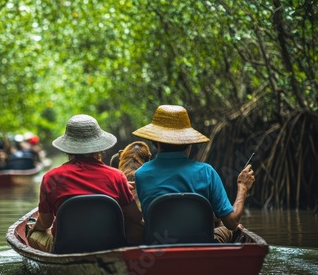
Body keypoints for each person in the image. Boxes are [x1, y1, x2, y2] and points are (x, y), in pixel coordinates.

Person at [132, 105, 255, 243]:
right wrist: (242, 187)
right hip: (201, 245)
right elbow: (231, 222)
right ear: (189, 143)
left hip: (158, 248)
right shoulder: (207, 172)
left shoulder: (141, 174)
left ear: (155, 143)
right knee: (234, 228)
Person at [26, 114, 144, 252]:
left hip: (65, 248)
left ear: (68, 148)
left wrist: (34, 228)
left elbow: (45, 223)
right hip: (111, 245)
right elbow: (136, 217)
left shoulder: (51, 178)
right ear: (99, 148)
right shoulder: (117, 176)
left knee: (34, 234)